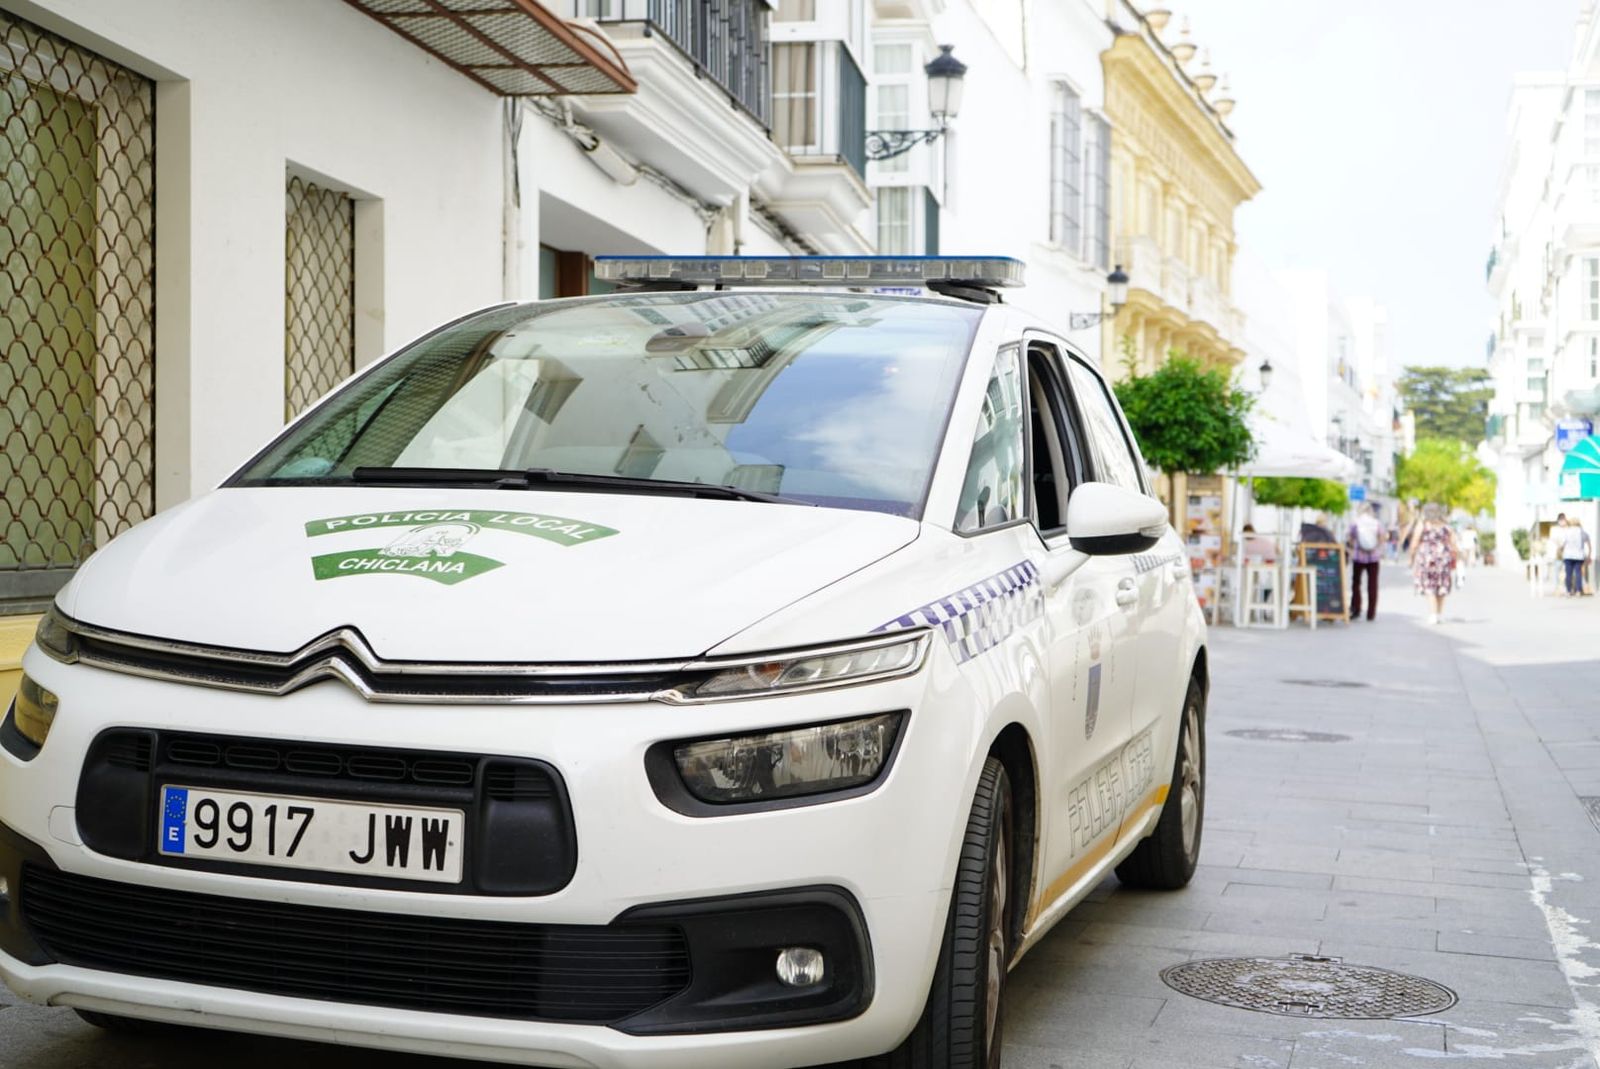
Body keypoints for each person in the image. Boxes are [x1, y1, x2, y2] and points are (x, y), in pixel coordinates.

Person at [1408, 503, 1458, 624]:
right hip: (1443, 560)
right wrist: (1455, 559)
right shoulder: (1446, 527)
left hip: (1427, 560)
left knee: (1429, 586)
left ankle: (1433, 614)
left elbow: (1414, 543)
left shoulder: (1423, 525)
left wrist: (1411, 558)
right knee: (1441, 586)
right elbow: (1454, 544)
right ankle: (1439, 614)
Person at [1346, 503, 1386, 621]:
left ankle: (1356, 609)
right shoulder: (1377, 523)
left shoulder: (1356, 523)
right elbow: (1382, 538)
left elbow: (1350, 538)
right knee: (1372, 584)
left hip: (1359, 557)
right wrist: (1377, 548)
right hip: (1373, 557)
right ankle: (1371, 613)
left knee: (1356, 583)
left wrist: (1354, 547)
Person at [1560, 515, 1593, 597]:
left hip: (1568, 555)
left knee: (1568, 574)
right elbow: (1589, 544)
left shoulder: (1567, 531)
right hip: (1579, 556)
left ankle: (1568, 591)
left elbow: (1562, 544)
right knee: (1578, 573)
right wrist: (1589, 555)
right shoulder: (1582, 532)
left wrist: (1560, 550)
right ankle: (1578, 590)